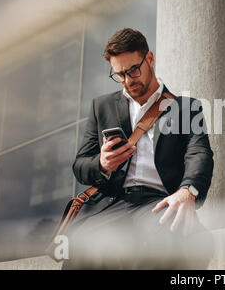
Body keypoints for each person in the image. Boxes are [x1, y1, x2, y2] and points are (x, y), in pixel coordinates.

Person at [61, 28, 214, 269]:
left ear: (149, 59)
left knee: (168, 237)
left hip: (159, 201)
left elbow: (199, 153)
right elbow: (80, 165)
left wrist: (188, 190)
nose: (128, 80)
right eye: (119, 74)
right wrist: (102, 164)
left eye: (133, 70)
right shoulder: (101, 107)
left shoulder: (186, 108)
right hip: (112, 203)